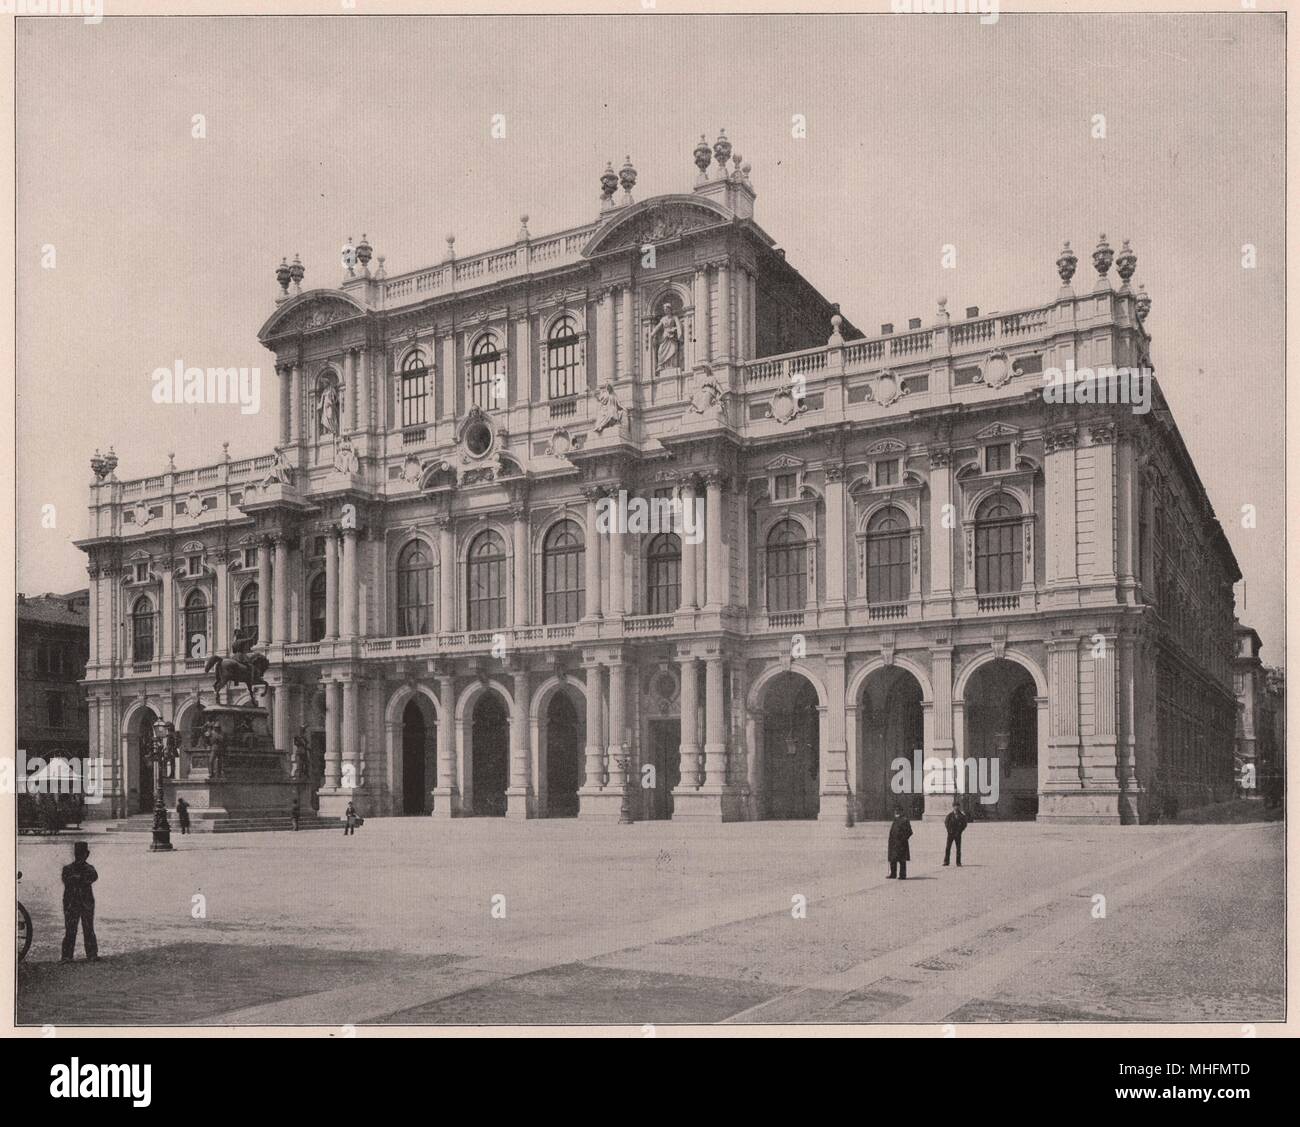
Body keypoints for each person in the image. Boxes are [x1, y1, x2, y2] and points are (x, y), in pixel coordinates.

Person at [61, 841, 99, 963]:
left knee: (87, 928)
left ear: (86, 854)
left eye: (81, 854)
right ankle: (68, 956)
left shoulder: (87, 869)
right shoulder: (69, 869)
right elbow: (71, 880)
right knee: (71, 929)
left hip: (80, 902)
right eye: (78, 854)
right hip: (73, 903)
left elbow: (91, 878)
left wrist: (77, 878)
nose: (80, 856)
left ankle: (91, 954)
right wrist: (80, 878)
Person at [887, 808, 912, 880]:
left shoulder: (905, 820)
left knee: (902, 859)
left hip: (901, 843)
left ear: (901, 812)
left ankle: (902, 875)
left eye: (898, 811)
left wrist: (903, 839)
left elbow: (909, 832)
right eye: (895, 811)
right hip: (893, 843)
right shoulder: (895, 819)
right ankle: (893, 874)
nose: (896, 812)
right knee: (893, 859)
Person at [943, 800, 968, 866]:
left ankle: (958, 862)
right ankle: (946, 861)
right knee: (948, 848)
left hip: (958, 834)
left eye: (957, 806)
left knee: (958, 848)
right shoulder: (949, 815)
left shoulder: (962, 816)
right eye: (955, 806)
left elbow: (964, 824)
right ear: (953, 807)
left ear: (959, 807)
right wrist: (949, 830)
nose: (956, 807)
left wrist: (960, 831)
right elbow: (946, 823)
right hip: (950, 834)